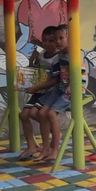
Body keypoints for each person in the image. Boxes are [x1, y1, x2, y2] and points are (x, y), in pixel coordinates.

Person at [18, 26, 58, 161]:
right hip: (40, 90)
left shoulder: (57, 58)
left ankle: (48, 145)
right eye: (44, 41)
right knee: (23, 114)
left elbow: (54, 80)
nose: (46, 44)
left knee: (37, 114)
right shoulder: (42, 55)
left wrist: (35, 88)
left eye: (50, 41)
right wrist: (32, 60)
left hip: (50, 91)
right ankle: (31, 146)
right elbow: (36, 72)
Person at [35, 25, 71, 162]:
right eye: (56, 39)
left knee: (50, 113)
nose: (58, 42)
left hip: (74, 89)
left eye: (61, 38)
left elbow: (82, 74)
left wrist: (73, 86)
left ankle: (55, 149)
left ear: (70, 38)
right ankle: (45, 149)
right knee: (42, 113)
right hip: (60, 88)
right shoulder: (60, 54)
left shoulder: (75, 54)